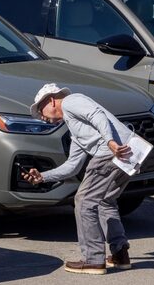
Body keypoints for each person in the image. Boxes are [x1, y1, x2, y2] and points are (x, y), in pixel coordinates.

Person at [23, 83, 134, 275]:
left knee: (83, 201)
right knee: (105, 200)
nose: (42, 117)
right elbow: (71, 166)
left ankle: (93, 260)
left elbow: (97, 115)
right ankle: (120, 254)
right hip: (129, 155)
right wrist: (42, 177)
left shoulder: (71, 102)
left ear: (51, 100)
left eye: (41, 110)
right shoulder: (75, 130)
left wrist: (110, 142)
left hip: (111, 153)